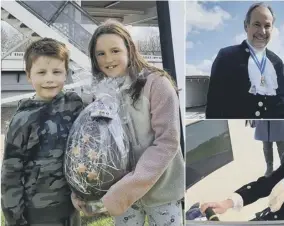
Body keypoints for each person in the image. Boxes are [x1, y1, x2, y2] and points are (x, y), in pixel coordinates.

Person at [71, 20, 185, 226]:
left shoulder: (157, 84)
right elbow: (93, 146)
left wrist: (126, 189)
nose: (108, 59)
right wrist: (82, 188)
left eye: (115, 50)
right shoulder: (98, 95)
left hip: (161, 192)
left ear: (130, 49)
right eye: (101, 54)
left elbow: (167, 142)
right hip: (121, 196)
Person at [1, 38, 84, 226]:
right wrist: (14, 219)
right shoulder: (21, 120)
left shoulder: (73, 105)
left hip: (70, 210)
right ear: (29, 75)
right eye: (41, 72)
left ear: (66, 74)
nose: (49, 79)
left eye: (57, 72)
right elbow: (10, 175)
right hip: (35, 215)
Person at [205, 2, 284, 119]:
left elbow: (279, 106)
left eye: (267, 26)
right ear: (246, 26)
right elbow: (214, 107)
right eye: (257, 24)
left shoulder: (277, 62)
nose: (262, 31)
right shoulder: (226, 57)